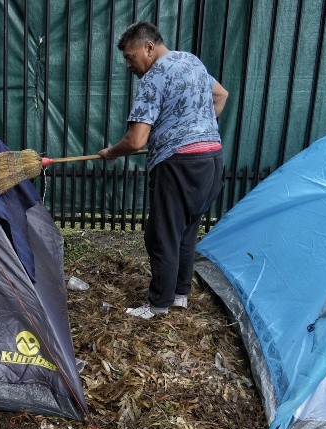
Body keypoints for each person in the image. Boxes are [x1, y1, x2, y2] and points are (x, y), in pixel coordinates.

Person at [97, 21, 229, 320]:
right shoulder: (191, 61)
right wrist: (195, 128)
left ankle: (158, 305)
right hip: (211, 159)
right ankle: (180, 296)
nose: (129, 65)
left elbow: (136, 140)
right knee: (186, 231)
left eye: (130, 57)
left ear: (148, 47)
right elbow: (221, 96)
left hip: (179, 165)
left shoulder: (153, 78)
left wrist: (112, 153)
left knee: (162, 236)